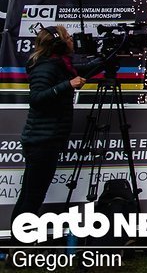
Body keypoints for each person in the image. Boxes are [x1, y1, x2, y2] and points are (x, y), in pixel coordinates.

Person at [11, 26, 101, 224]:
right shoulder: (46, 66)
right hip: (42, 141)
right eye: (68, 37)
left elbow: (83, 70)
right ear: (58, 44)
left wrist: (106, 59)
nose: (71, 40)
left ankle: (17, 244)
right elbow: (36, 99)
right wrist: (68, 85)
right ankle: (20, 244)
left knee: (30, 195)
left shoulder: (61, 64)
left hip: (48, 139)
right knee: (32, 197)